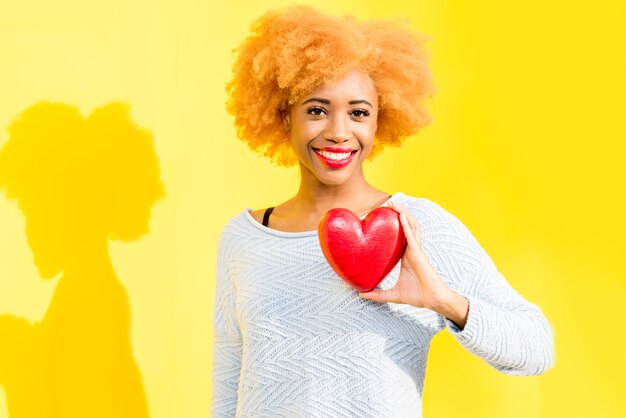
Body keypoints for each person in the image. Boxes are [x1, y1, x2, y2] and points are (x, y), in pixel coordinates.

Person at [211, 5, 555, 417]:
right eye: (317, 110)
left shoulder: (415, 227)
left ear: (380, 120)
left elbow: (536, 347)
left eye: (359, 112)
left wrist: (444, 301)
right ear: (285, 117)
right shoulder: (244, 238)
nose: (339, 132)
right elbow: (228, 381)